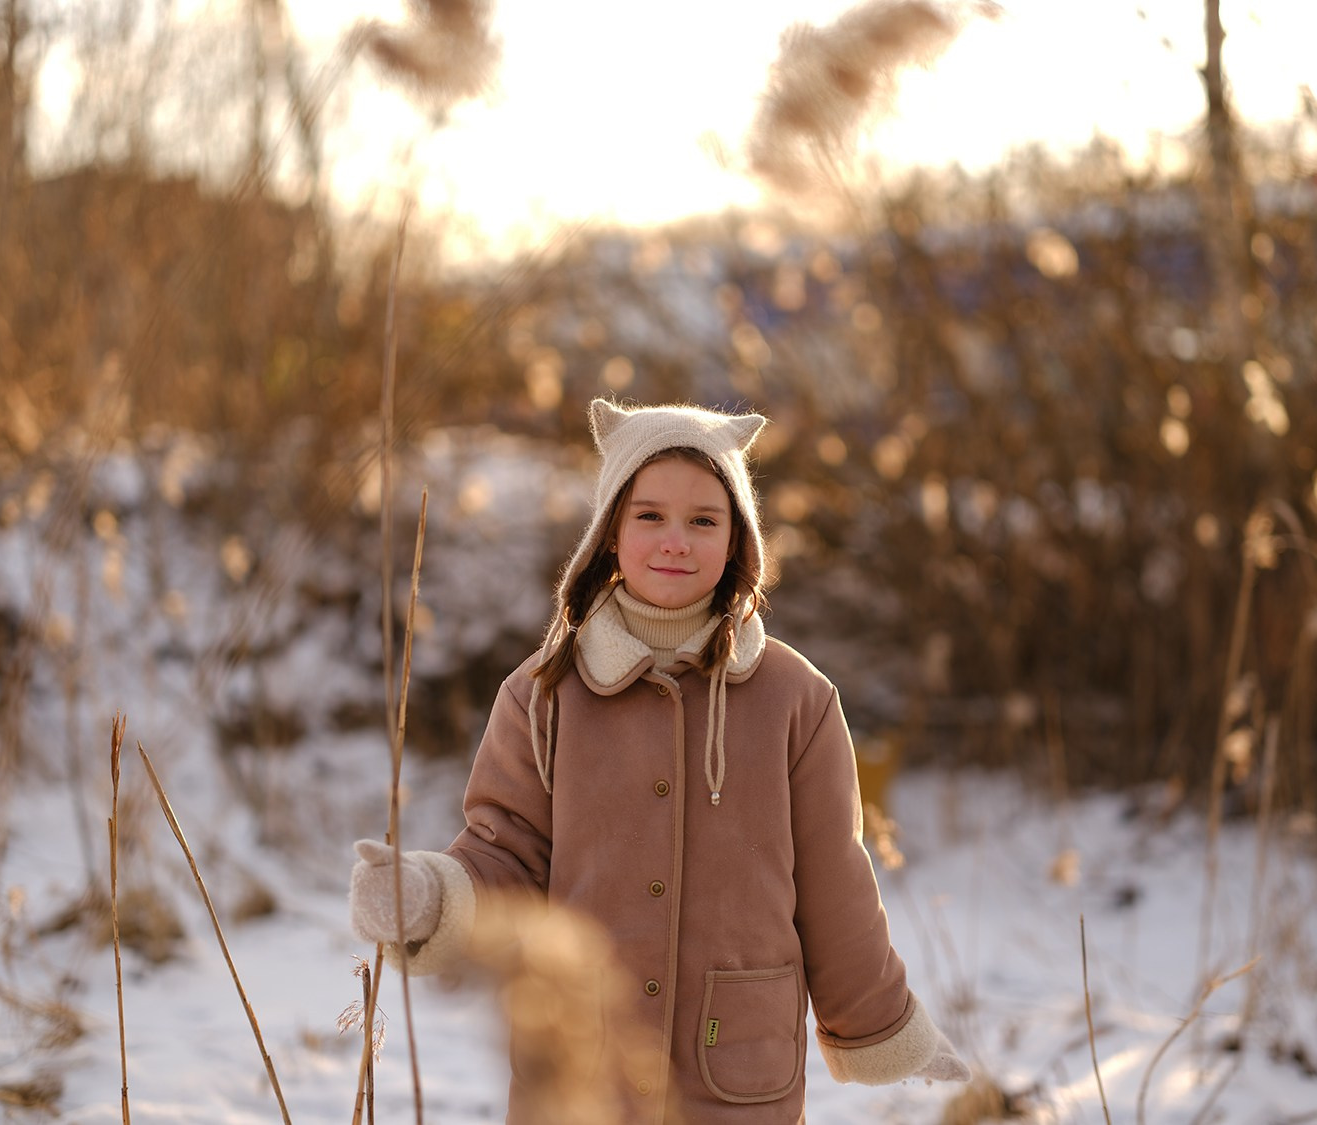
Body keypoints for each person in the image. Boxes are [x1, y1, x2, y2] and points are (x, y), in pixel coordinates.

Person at [349, 399, 971, 1123]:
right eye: (649, 516)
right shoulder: (542, 695)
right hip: (583, 1063)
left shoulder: (796, 700)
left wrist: (885, 1026)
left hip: (739, 1071)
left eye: (704, 519)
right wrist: (429, 895)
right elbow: (507, 854)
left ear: (738, 537)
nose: (676, 539)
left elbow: (836, 887)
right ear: (610, 531)